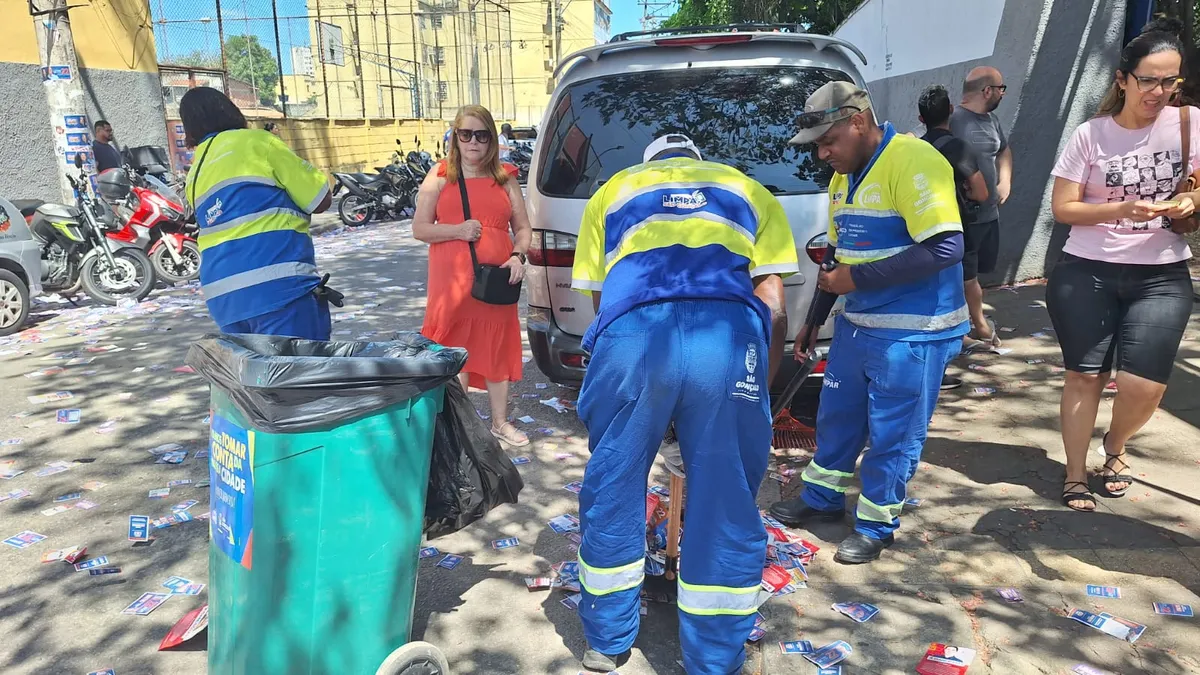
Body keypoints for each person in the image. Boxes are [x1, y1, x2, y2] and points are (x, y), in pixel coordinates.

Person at [570, 134, 797, 675]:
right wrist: (754, 391)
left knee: (615, 481)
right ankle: (714, 658)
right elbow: (774, 301)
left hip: (633, 337)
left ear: (650, 163)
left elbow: (602, 301)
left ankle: (607, 640)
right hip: (726, 338)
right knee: (726, 494)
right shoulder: (746, 188)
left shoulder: (613, 191)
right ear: (698, 162)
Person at [768, 82, 967, 564]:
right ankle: (821, 499)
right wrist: (815, 318)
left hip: (913, 330)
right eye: (817, 145)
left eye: (828, 141)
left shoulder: (914, 161)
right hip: (858, 325)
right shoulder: (845, 176)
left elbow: (946, 247)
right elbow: (835, 255)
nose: (822, 154)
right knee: (837, 417)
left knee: (893, 432)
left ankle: (877, 524)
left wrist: (853, 281)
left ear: (858, 122)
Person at [1047, 18, 1198, 512]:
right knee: (1084, 375)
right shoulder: (1090, 135)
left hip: (1162, 272)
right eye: (1149, 79)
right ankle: (1073, 474)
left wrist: (1190, 201)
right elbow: (1064, 208)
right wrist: (1122, 209)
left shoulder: (1189, 122)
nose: (1160, 91)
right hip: (1086, 271)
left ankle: (1115, 444)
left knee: (1145, 385)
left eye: (1170, 80)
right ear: (1122, 79)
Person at [414, 105, 531, 446]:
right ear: (455, 138)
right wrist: (457, 230)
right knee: (453, 350)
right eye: (465, 134)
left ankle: (499, 423)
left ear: (492, 140)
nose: (473, 142)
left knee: (496, 348)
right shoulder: (439, 176)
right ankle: (458, 428)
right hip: (451, 283)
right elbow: (420, 228)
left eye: (481, 135)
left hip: (495, 282)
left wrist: (517, 255)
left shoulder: (505, 178)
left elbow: (523, 228)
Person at [179, 87, 334, 340]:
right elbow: (320, 200)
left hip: (224, 299)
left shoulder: (195, 172)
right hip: (279, 286)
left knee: (260, 377)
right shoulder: (259, 142)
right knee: (305, 373)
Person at [918, 84, 991, 390]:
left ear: (920, 119)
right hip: (956, 228)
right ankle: (977, 329)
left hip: (921, 229)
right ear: (950, 111)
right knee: (964, 282)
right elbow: (982, 191)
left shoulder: (915, 150)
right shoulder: (958, 148)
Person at [951, 66, 1012, 348]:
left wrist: (1005, 181)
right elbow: (920, 140)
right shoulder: (953, 120)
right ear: (987, 91)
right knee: (967, 276)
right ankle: (979, 327)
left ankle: (972, 323)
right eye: (1001, 88)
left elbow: (1004, 150)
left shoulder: (992, 120)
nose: (1002, 94)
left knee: (976, 275)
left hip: (990, 214)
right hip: (966, 217)